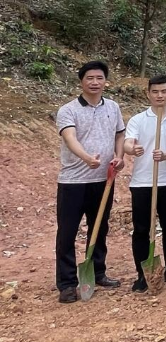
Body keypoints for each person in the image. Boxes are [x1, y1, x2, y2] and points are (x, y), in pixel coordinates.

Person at [55, 61, 126, 303]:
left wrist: (119, 157)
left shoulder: (113, 107)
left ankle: (97, 272)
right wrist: (86, 158)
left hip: (103, 180)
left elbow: (119, 134)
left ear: (105, 81)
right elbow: (70, 138)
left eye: (99, 78)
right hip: (73, 181)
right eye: (90, 78)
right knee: (67, 232)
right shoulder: (68, 110)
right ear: (81, 81)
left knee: (100, 227)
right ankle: (66, 284)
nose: (95, 82)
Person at [123, 74, 166, 292]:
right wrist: (133, 149)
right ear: (148, 94)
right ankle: (143, 274)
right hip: (142, 183)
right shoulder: (138, 120)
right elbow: (128, 143)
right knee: (142, 229)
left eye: (164, 91)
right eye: (155, 92)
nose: (160, 95)